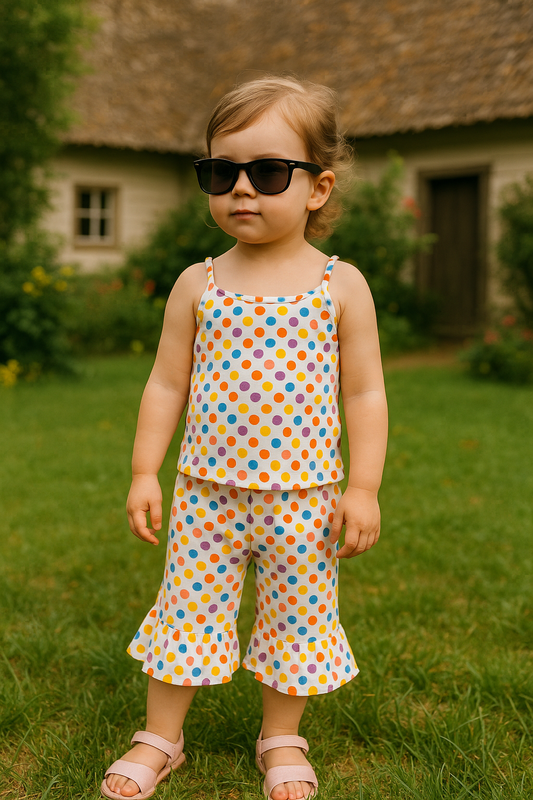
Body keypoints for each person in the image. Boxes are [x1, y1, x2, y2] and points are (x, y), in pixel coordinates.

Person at [102, 76, 388, 800]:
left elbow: (364, 393)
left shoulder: (340, 285)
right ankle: (161, 737)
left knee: (298, 619)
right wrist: (144, 471)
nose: (240, 189)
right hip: (207, 494)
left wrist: (362, 488)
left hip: (304, 497)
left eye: (267, 172)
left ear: (317, 188)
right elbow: (165, 384)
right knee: (186, 611)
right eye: (220, 172)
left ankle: (280, 735)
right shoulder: (197, 283)